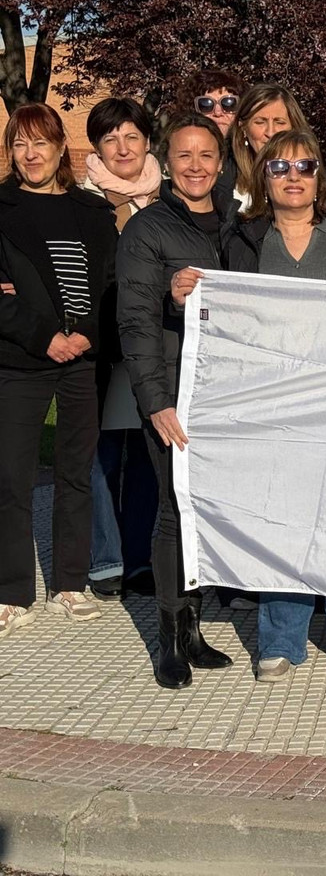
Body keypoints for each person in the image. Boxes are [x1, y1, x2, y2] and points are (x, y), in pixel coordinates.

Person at [223, 129, 326, 680]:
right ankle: (281, 640)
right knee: (278, 519)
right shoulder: (241, 242)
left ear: (321, 178)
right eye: (280, 168)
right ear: (263, 180)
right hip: (272, 409)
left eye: (305, 166)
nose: (293, 177)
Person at [116, 112, 237, 688]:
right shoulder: (149, 229)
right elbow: (134, 319)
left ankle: (193, 628)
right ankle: (167, 638)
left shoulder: (239, 224)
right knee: (173, 509)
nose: (196, 166)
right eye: (184, 156)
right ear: (167, 164)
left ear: (220, 162)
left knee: (204, 511)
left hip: (228, 393)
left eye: (206, 156)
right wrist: (155, 400)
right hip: (173, 392)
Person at [0, 102, 118, 636]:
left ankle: (70, 583)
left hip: (82, 359)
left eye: (40, 143)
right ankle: (12, 591)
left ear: (58, 149)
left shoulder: (91, 213)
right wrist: (43, 334)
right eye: (20, 144)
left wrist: (85, 334)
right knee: (11, 477)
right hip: (21, 360)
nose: (31, 154)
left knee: (75, 474)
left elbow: (110, 286)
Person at [80, 97, 162, 600]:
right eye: (110, 139)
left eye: (131, 136)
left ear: (148, 142)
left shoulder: (169, 197)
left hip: (155, 346)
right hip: (102, 348)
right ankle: (106, 559)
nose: (122, 147)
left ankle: (139, 561)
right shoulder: (82, 201)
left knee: (149, 459)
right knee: (103, 456)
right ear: (97, 147)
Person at [229, 83, 311, 214]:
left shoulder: (315, 179)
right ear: (243, 128)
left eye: (279, 122)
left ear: (294, 127)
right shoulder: (225, 184)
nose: (271, 132)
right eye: (260, 122)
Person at [184, 68, 248, 204]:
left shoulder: (253, 159)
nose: (218, 112)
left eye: (229, 104)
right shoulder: (179, 159)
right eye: (206, 104)